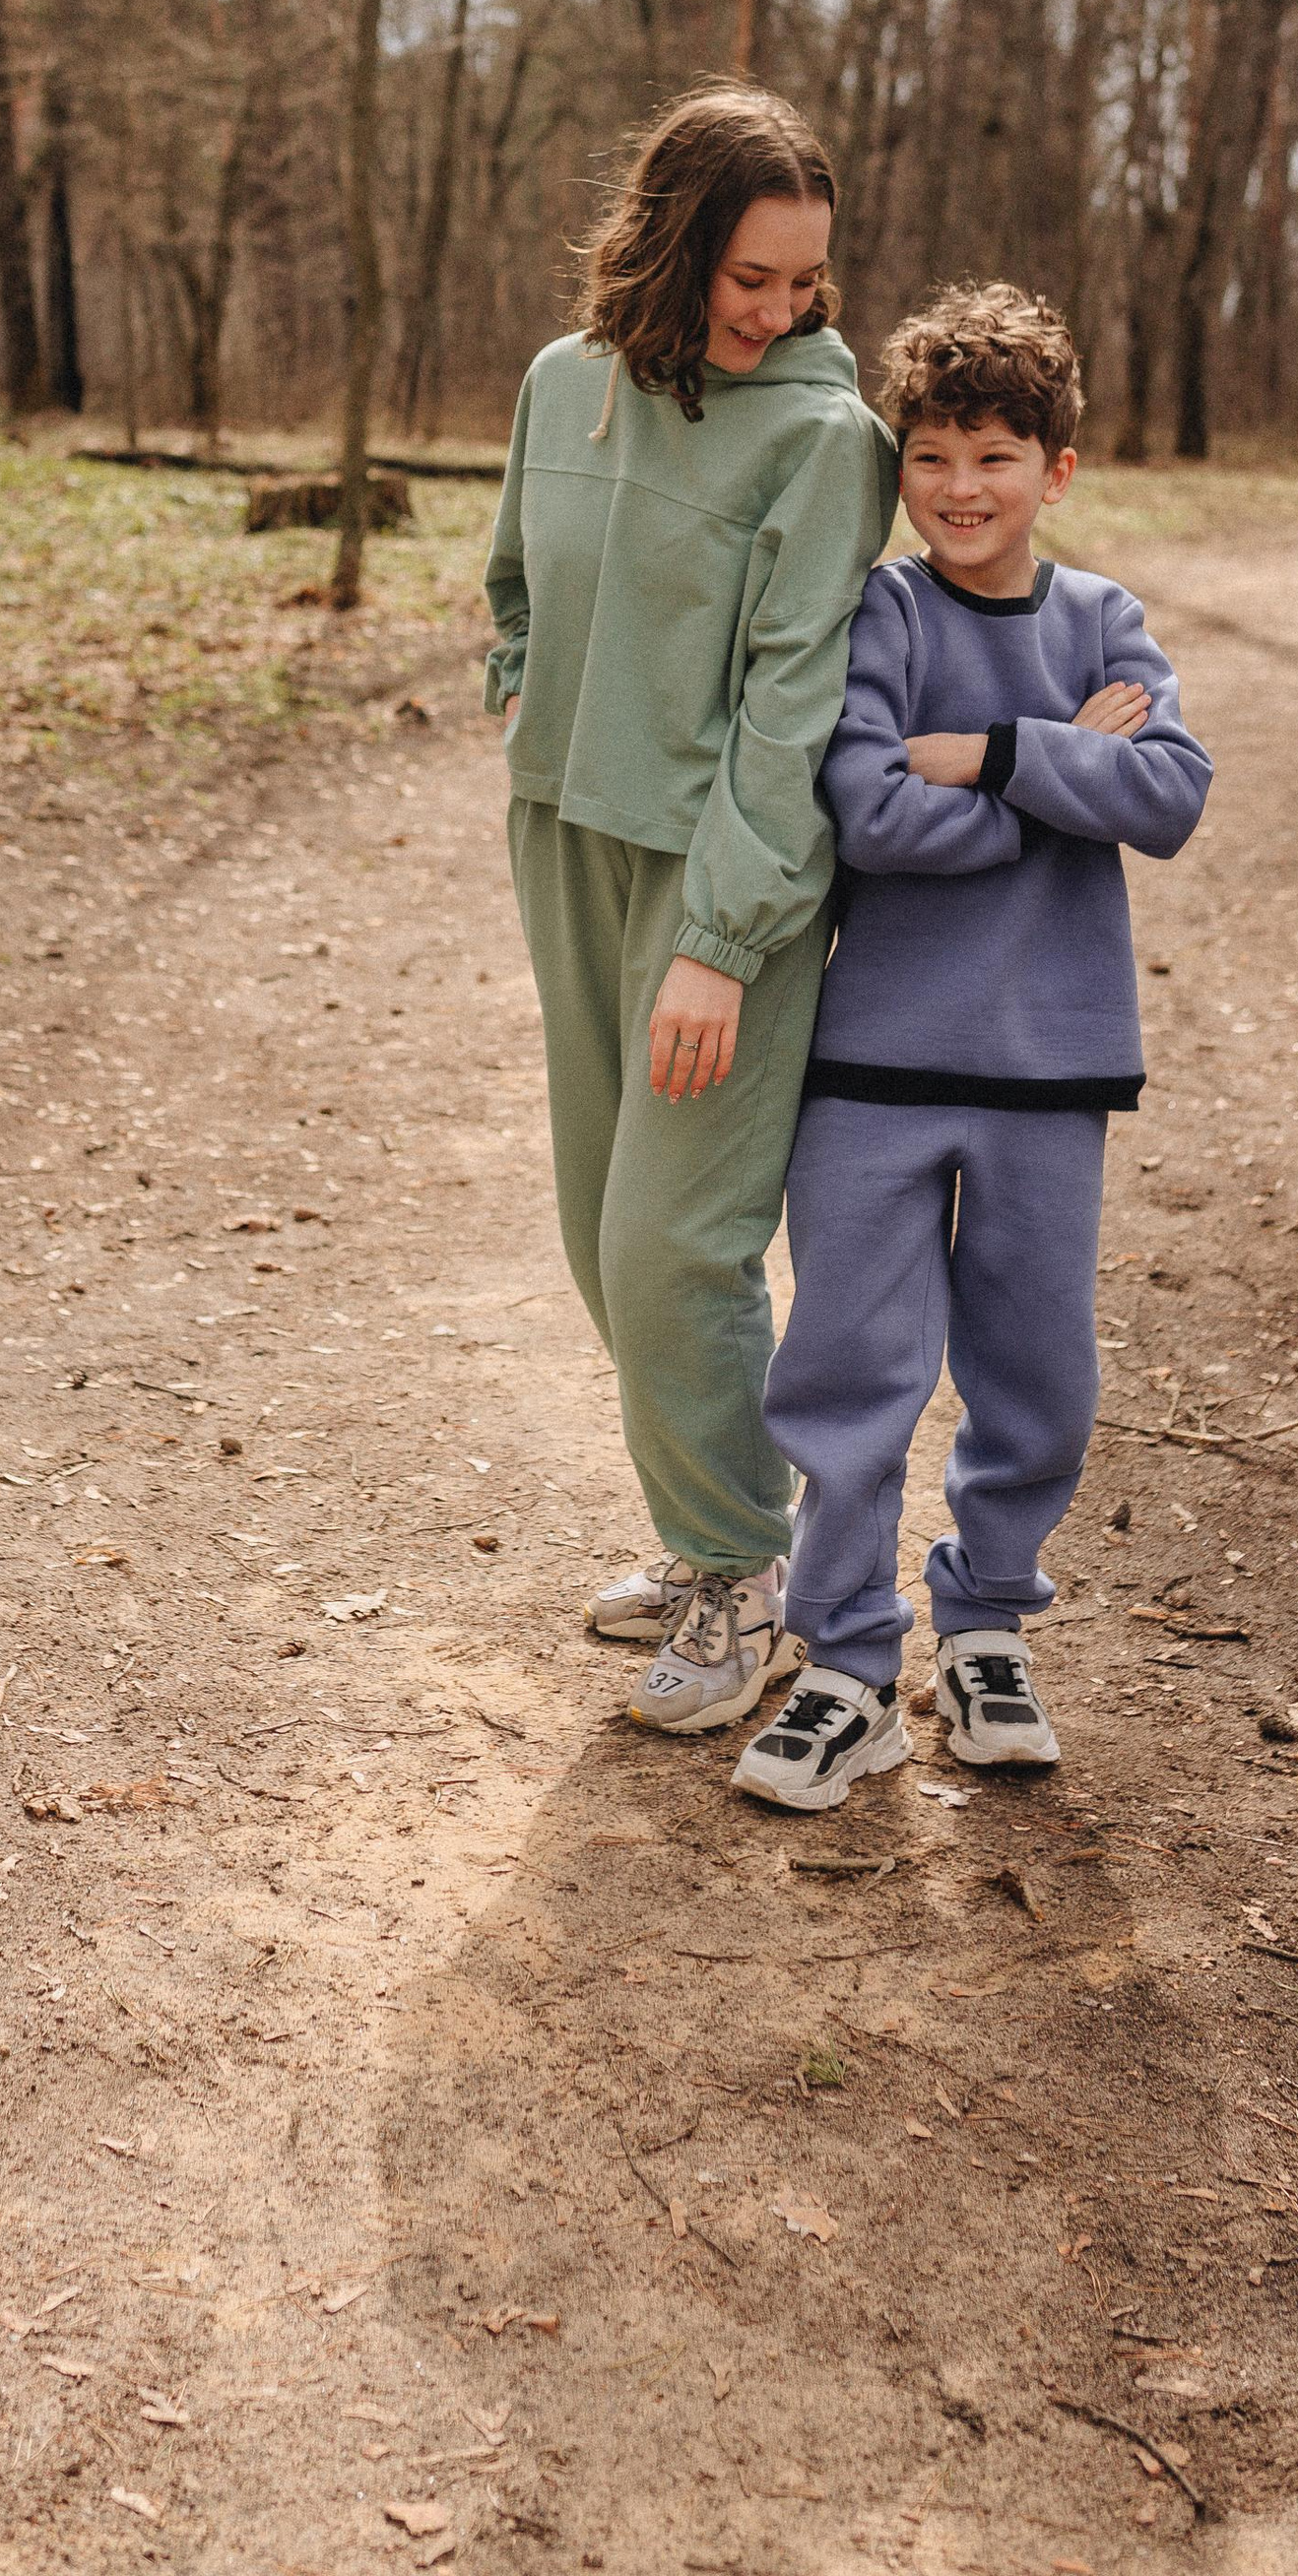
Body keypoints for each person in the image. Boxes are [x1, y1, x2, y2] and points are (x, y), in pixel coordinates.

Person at [734, 280, 1211, 1811]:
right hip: (872, 1063)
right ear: (902, 465)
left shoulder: (1104, 620)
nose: (959, 487)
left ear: (1055, 471)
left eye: (996, 456)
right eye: (932, 454)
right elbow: (869, 808)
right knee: (849, 1368)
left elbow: (1174, 796)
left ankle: (989, 1621)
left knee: (1036, 1371)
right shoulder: (884, 609)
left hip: (1051, 1070)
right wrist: (1068, 766)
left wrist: (995, 751)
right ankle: (847, 1660)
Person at [485, 87, 900, 1736]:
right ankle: (704, 1527)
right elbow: (513, 580)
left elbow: (792, 717)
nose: (782, 310)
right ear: (668, 245)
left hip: (726, 880)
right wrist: (531, 703)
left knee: (674, 1244)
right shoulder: (558, 387)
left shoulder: (826, 439)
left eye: (804, 281)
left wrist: (721, 943)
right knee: (603, 1233)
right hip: (564, 839)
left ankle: (745, 1570)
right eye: (752, 277)